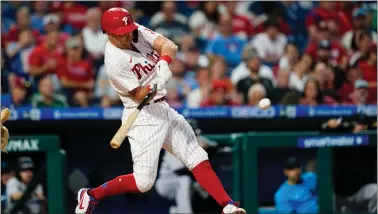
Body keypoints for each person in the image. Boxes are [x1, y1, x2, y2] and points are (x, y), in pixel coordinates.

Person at [75, 8, 245, 214]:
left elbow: (169, 46)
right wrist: (154, 84)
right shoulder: (114, 60)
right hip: (141, 115)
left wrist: (163, 64)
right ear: (109, 34)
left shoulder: (135, 31)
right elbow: (138, 94)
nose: (129, 35)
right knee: (143, 182)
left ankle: (227, 204)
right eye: (123, 33)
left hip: (161, 106)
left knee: (195, 154)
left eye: (129, 29)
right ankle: (91, 195)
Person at [155, 119, 218, 214]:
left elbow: (213, 144)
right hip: (167, 183)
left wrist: (206, 145)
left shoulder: (196, 141)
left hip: (185, 182)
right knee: (185, 180)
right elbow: (180, 170)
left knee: (206, 192)